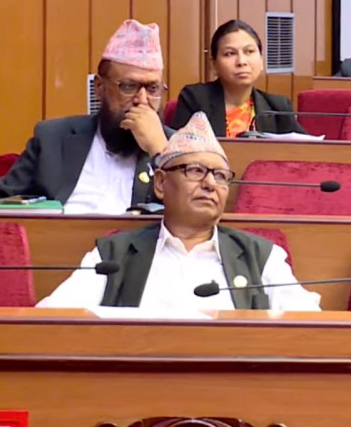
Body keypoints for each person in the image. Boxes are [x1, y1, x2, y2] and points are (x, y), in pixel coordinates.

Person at [36, 112, 321, 310]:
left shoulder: (260, 257)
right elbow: (53, 318)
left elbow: (308, 323)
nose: (210, 183)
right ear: (161, 183)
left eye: (220, 176)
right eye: (195, 170)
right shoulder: (114, 255)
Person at [0, 20, 172, 215]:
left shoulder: (180, 148)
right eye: (129, 86)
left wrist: (162, 153)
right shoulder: (52, 138)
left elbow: (192, 218)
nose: (142, 100)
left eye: (153, 88)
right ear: (99, 88)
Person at [171, 20, 306, 138]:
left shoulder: (278, 106)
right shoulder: (195, 99)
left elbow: (303, 149)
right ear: (214, 64)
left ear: (261, 60)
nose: (241, 61)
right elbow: (181, 148)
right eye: (230, 53)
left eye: (249, 52)